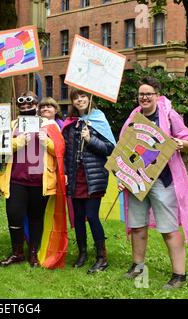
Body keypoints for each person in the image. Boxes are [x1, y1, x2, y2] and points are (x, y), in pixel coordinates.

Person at [119, 76, 188, 289]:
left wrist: (180, 142)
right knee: (137, 226)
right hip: (137, 180)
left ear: (157, 96)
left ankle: (179, 275)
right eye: (141, 94)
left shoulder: (169, 115)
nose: (144, 97)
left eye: (148, 94)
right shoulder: (134, 116)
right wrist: (123, 176)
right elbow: (124, 148)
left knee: (168, 228)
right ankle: (137, 266)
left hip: (163, 180)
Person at [0, 91, 67, 268]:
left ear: (36, 106)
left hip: (40, 180)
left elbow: (60, 149)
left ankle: (33, 253)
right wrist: (18, 142)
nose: (26, 108)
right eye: (23, 106)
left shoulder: (48, 125)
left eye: (30, 106)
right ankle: (17, 252)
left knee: (36, 218)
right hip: (16, 179)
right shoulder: (12, 125)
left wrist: (48, 142)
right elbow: (0, 146)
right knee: (14, 215)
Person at [61, 89, 115, 273]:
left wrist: (90, 140)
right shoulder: (71, 124)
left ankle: (102, 257)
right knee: (78, 218)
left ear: (89, 98)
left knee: (91, 216)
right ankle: (82, 253)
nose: (80, 100)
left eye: (83, 96)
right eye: (76, 98)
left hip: (94, 177)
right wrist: (66, 173)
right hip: (76, 178)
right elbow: (67, 152)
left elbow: (109, 148)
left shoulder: (98, 120)